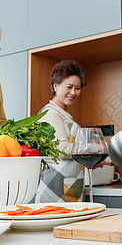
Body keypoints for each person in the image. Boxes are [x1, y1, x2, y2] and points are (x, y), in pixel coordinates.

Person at [35, 60, 87, 202]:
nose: (73, 92)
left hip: (69, 184)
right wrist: (89, 151)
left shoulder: (63, 114)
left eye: (78, 88)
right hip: (55, 186)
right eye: (69, 87)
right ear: (55, 85)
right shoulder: (50, 113)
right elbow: (61, 148)